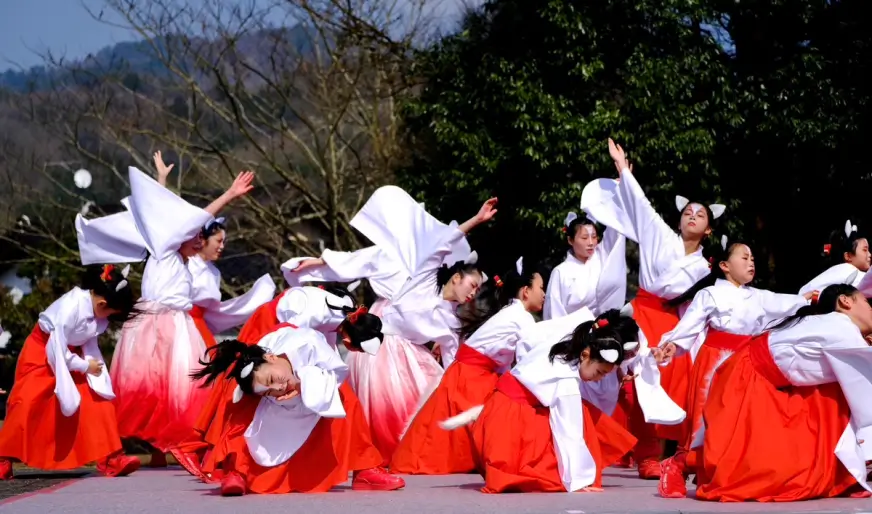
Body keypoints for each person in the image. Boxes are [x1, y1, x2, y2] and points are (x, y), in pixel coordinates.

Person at [78, 165, 253, 465]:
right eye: (194, 235)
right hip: (153, 326)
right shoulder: (164, 249)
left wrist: (161, 182)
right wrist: (229, 194)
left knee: (181, 389)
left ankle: (181, 444)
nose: (199, 241)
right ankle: (116, 450)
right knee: (145, 389)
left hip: (177, 325)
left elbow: (162, 212)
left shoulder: (182, 260)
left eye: (200, 237)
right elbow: (169, 218)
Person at [587, 138, 725, 478]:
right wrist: (623, 168)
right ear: (679, 221)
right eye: (688, 212)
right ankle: (641, 453)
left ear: (708, 229)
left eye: (700, 215)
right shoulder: (660, 235)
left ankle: (666, 454)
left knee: (672, 384)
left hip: (673, 323)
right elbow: (642, 206)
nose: (692, 216)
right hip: (641, 314)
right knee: (633, 380)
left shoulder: (705, 269)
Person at [652, 238, 811, 497]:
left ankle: (723, 474)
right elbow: (688, 327)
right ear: (725, 266)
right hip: (715, 362)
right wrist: (671, 345)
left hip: (747, 363)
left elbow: (790, 303)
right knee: (707, 422)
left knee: (740, 421)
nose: (751, 262)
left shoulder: (759, 296)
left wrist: (810, 299)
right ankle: (678, 466)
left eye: (752, 259)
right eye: (744, 258)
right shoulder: (709, 294)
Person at [693, 284, 872, 501]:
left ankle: (844, 475)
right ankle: (680, 463)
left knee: (835, 394)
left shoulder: (831, 324)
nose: (871, 309)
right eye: (867, 303)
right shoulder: (842, 326)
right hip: (746, 379)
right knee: (750, 470)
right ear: (845, 301)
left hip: (761, 380)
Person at [192, 325, 405, 495]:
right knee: (243, 406)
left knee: (344, 397)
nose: (278, 388)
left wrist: (305, 384)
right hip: (260, 377)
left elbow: (337, 373)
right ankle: (237, 471)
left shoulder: (308, 344)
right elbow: (264, 384)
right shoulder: (264, 377)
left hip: (312, 377)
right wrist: (272, 392)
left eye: (273, 379)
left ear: (271, 357)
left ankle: (365, 469)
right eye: (270, 390)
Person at [390, 256, 546, 474]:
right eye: (541, 287)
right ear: (526, 291)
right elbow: (533, 354)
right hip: (471, 376)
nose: (544, 293)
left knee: (452, 433)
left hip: (471, 373)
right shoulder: (521, 318)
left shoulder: (515, 314)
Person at [469, 309, 638, 493]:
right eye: (599, 372)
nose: (598, 379)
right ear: (585, 354)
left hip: (496, 411)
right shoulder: (566, 380)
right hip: (509, 423)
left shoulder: (561, 347)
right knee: (579, 426)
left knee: (580, 414)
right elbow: (569, 433)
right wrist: (577, 481)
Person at [0, 265, 142, 479]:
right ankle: (3, 458)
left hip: (75, 355)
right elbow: (54, 350)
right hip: (43, 352)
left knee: (98, 399)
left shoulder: (97, 311)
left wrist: (94, 372)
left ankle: (111, 457)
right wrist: (85, 366)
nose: (109, 318)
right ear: (102, 304)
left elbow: (87, 341)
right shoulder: (70, 307)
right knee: (28, 402)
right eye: (111, 313)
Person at [799, 220, 869, 295]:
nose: (870, 254)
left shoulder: (842, 271)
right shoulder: (848, 269)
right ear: (848, 256)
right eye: (865, 250)